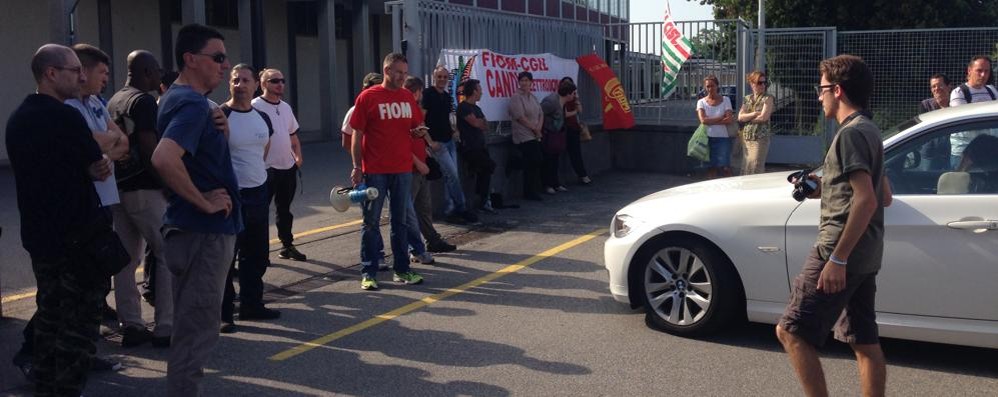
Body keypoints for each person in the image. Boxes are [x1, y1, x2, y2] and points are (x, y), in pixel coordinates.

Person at [776, 54, 892, 397]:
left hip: (839, 251)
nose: (818, 95)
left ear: (838, 90)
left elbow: (868, 200)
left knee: (791, 332)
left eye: (822, 88)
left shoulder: (849, 135)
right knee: (863, 341)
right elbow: (882, 194)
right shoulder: (870, 130)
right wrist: (824, 190)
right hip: (867, 254)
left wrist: (837, 259)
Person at [6, 43, 113, 397]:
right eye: (74, 70)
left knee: (50, 319)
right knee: (77, 329)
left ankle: (45, 385)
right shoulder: (66, 117)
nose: (81, 76)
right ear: (51, 74)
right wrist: (97, 163)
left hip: (41, 237)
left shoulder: (19, 117)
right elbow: (98, 165)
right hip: (77, 239)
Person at [151, 23, 242, 396]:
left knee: (194, 330)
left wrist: (217, 128)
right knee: (196, 332)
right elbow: (164, 158)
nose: (225, 66)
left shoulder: (187, 102)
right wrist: (204, 201)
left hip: (193, 232)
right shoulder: (190, 103)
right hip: (202, 234)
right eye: (217, 57)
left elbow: (193, 157)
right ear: (190, 59)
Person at [107, 49, 174, 348]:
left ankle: (131, 324)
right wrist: (167, 183)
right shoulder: (143, 101)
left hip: (119, 186)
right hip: (146, 189)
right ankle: (166, 326)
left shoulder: (114, 100)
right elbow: (149, 147)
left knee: (126, 259)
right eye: (157, 70)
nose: (160, 77)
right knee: (167, 252)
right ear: (146, 71)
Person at [349, 53, 426, 290]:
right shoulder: (368, 97)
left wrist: (418, 132)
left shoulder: (406, 97)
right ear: (386, 70)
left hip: (402, 169)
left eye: (405, 72)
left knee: (399, 222)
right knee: (371, 222)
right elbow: (357, 133)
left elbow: (413, 127)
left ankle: (402, 270)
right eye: (398, 72)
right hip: (375, 170)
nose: (403, 77)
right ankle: (369, 272)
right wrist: (357, 167)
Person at [220, 63, 279, 334]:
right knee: (226, 257)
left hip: (258, 192)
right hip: (232, 195)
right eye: (235, 80)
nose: (239, 85)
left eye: (245, 80)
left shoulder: (262, 118)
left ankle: (252, 305)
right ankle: (224, 314)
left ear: (255, 84)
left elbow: (263, 152)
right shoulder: (220, 115)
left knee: (256, 255)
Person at [253, 68, 307, 261]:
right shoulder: (255, 106)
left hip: (287, 167)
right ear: (263, 84)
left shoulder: (285, 107)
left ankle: (287, 245)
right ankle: (259, 252)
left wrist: (297, 157)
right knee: (259, 212)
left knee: (285, 210)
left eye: (282, 80)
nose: (280, 84)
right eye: (275, 81)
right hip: (266, 169)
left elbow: (293, 136)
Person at [403, 76, 457, 254]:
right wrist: (418, 162)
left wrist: (426, 147)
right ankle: (412, 248)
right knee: (408, 212)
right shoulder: (405, 109)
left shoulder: (415, 109)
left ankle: (432, 240)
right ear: (417, 92)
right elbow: (398, 142)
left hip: (419, 166)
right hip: (411, 169)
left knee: (423, 208)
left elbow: (418, 131)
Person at [423, 65, 478, 224]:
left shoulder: (447, 96)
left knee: (452, 177)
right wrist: (429, 142)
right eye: (439, 76)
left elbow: (448, 117)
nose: (442, 80)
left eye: (445, 77)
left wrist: (454, 130)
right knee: (453, 175)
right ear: (434, 77)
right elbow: (421, 119)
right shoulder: (428, 94)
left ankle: (450, 209)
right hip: (437, 143)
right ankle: (462, 208)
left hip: (449, 141)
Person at [456, 79, 497, 212]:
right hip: (470, 147)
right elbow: (476, 123)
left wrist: (481, 122)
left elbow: (486, 125)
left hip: (481, 146)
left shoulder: (477, 108)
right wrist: (480, 122)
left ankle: (483, 199)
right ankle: (480, 200)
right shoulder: (464, 107)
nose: (482, 93)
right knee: (488, 166)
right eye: (480, 90)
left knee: (487, 169)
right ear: (474, 91)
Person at [508, 71, 545, 200]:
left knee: (535, 161)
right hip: (523, 134)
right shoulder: (516, 97)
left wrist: (539, 127)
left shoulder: (533, 97)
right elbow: (520, 117)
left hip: (535, 133)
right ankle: (529, 191)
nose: (524, 83)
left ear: (531, 82)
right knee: (534, 159)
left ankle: (531, 190)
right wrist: (534, 129)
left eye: (526, 80)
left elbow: (541, 113)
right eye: (522, 80)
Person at [540, 80, 575, 194]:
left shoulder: (562, 102)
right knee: (548, 160)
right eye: (573, 93)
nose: (575, 96)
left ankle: (555, 183)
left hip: (557, 134)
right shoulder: (551, 102)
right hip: (548, 134)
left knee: (555, 160)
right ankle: (547, 184)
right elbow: (540, 113)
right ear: (568, 94)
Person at [696, 74, 734, 178]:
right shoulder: (701, 102)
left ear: (717, 86)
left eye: (712, 86)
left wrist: (711, 121)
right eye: (707, 86)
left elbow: (729, 119)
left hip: (723, 138)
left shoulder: (726, 100)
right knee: (711, 168)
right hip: (707, 138)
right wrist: (721, 117)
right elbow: (703, 120)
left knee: (725, 167)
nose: (710, 88)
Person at [737, 70, 775, 175]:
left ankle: (756, 188)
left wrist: (747, 119)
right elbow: (740, 117)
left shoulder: (768, 98)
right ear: (752, 83)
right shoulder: (747, 98)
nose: (763, 85)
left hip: (760, 138)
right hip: (747, 137)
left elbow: (763, 117)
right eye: (759, 82)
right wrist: (754, 114)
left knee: (756, 166)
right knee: (746, 167)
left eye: (764, 82)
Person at [559, 76, 591, 185]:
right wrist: (575, 112)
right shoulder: (560, 99)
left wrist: (576, 99)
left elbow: (580, 110)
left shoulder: (573, 98)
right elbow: (565, 114)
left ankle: (583, 175)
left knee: (576, 153)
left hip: (574, 128)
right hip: (563, 128)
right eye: (565, 84)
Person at [342, 73, 384, 151]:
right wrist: (360, 158)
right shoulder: (354, 110)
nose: (374, 93)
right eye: (370, 89)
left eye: (378, 89)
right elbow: (346, 141)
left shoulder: (387, 107)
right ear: (364, 89)